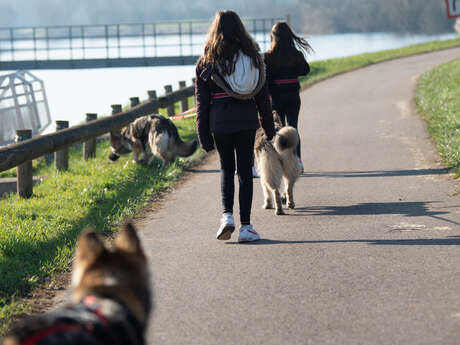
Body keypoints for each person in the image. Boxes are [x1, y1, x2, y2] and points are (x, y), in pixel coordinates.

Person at [195, 10, 275, 242]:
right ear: (240, 29)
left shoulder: (206, 62)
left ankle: (227, 216)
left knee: (226, 169)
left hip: (219, 121)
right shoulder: (252, 58)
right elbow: (262, 97)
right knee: (245, 172)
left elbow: (201, 104)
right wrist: (270, 129)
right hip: (246, 118)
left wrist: (203, 134)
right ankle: (247, 226)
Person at [264, 21, 312, 173]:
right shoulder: (295, 54)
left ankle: (280, 162)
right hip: (292, 97)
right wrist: (292, 70)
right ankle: (297, 162)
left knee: (277, 130)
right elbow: (306, 70)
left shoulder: (268, 57)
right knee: (293, 129)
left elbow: (266, 80)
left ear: (273, 37)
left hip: (276, 98)